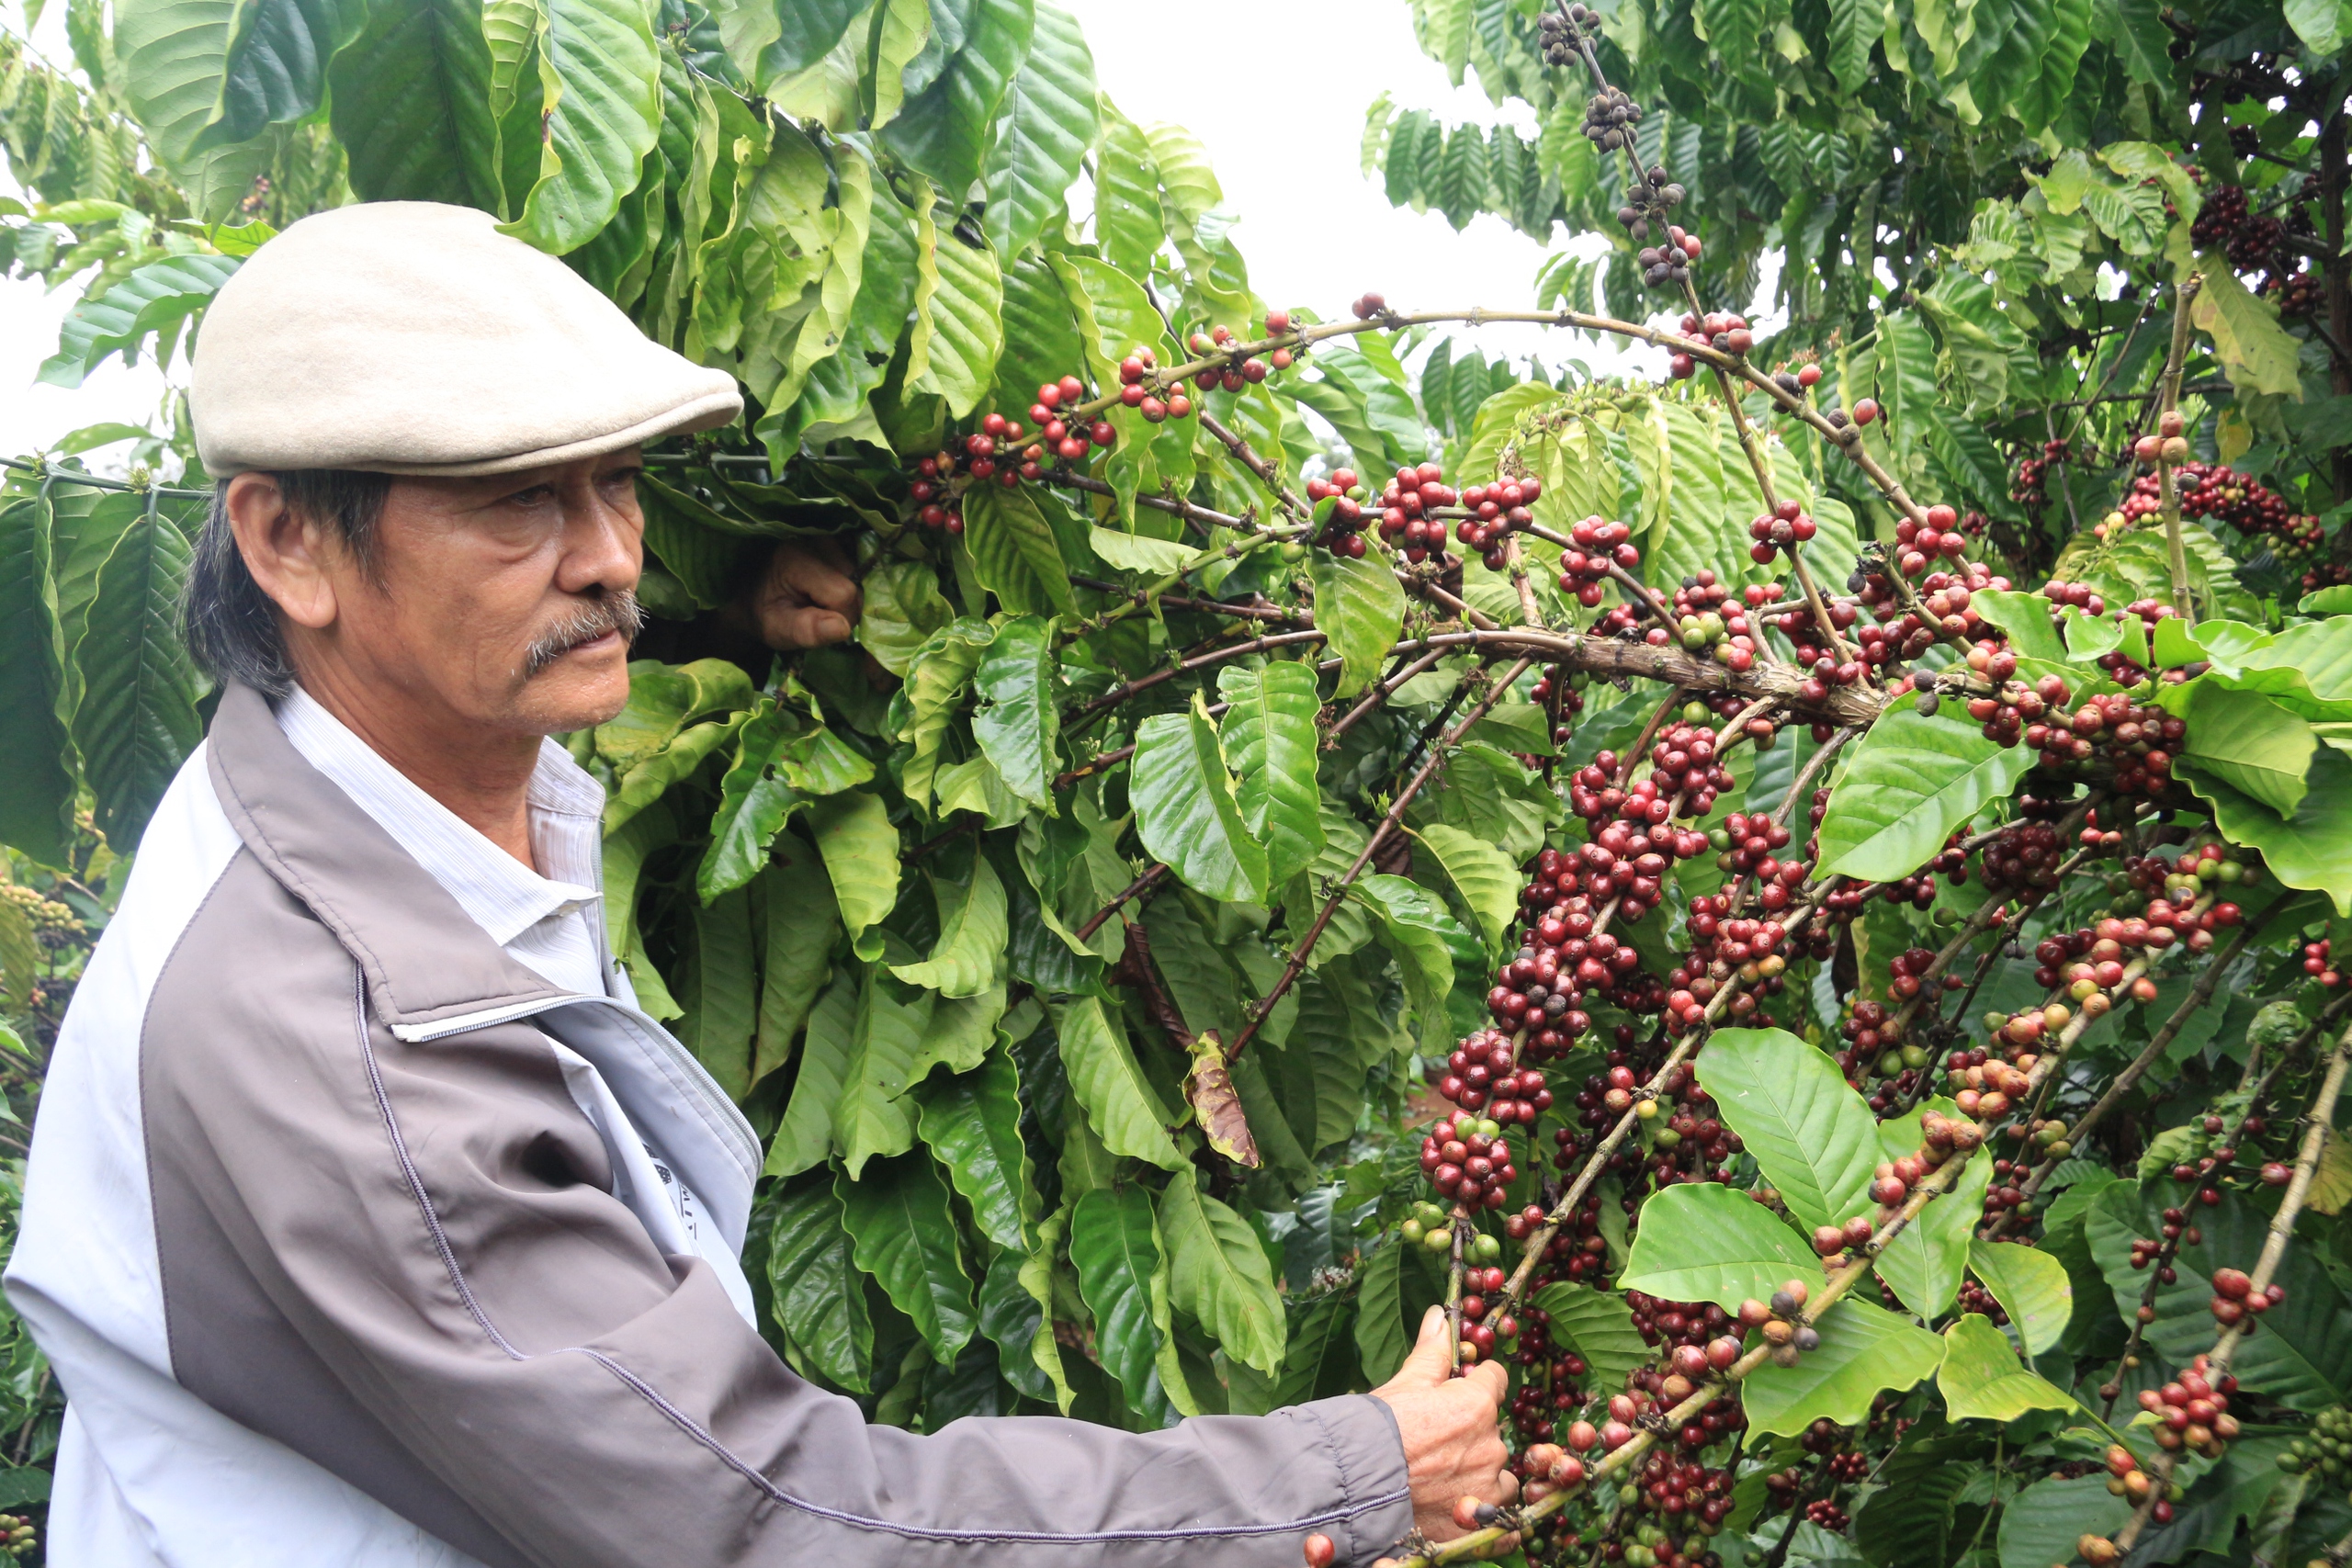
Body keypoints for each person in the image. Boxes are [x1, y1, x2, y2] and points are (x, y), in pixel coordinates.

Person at [4, 202, 1512, 1568]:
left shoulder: (361, 777)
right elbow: (759, 1524)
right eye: (519, 503)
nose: (608, 560)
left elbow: (517, 643)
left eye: (619, 483)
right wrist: (1341, 1474)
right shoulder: (338, 1055)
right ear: (288, 543)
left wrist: (726, 625)